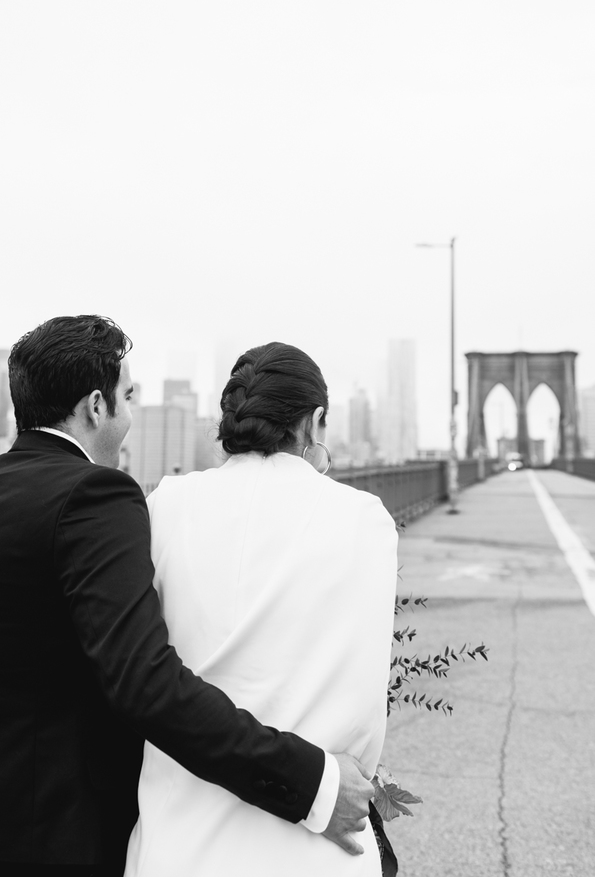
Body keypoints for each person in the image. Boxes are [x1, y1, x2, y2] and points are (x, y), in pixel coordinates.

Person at [0, 317, 375, 877]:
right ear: (95, 407)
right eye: (127, 396)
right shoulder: (94, 496)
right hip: (47, 842)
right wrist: (313, 784)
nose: (130, 416)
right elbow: (146, 684)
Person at [124, 342, 399, 876]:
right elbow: (365, 716)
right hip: (317, 847)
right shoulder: (365, 520)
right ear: (315, 422)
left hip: (178, 847)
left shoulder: (166, 505)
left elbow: (145, 678)